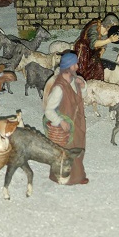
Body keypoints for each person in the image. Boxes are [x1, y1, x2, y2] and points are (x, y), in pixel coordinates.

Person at [42, 52, 88, 185]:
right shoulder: (59, 88)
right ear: (68, 67)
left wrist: (83, 87)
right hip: (67, 127)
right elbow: (49, 110)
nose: (77, 67)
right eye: (75, 65)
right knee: (66, 153)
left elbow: (82, 97)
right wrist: (60, 121)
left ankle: (77, 175)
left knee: (78, 148)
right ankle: (61, 176)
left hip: (77, 122)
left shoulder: (75, 80)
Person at [73, 13, 119, 82]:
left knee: (98, 68)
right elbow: (93, 43)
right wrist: (109, 40)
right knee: (82, 68)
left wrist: (102, 50)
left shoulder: (107, 31)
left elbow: (104, 43)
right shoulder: (94, 27)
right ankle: (80, 82)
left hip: (93, 51)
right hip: (83, 49)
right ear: (108, 24)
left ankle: (93, 83)